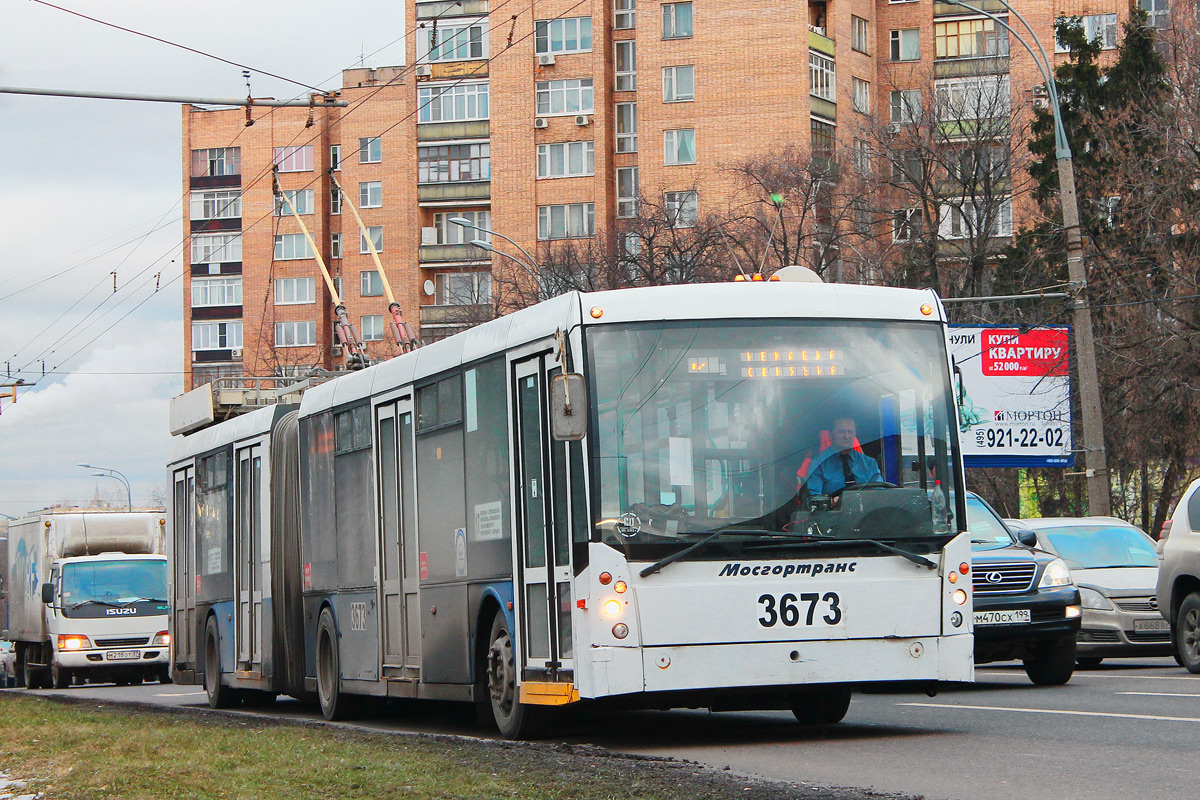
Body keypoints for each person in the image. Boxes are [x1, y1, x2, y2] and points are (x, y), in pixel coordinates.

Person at [805, 416, 882, 496]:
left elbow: (880, 494)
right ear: (831, 434)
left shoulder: (869, 463)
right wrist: (832, 501)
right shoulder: (818, 464)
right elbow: (814, 497)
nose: (846, 436)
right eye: (841, 432)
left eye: (850, 432)